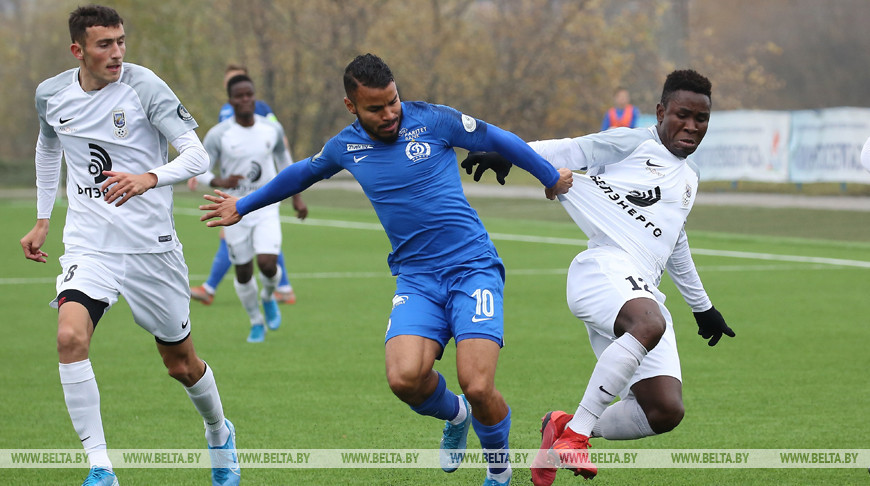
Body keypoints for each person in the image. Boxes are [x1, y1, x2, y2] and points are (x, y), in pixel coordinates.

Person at [200, 53, 573, 486]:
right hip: (417, 278)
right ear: (351, 107)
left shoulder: (434, 119)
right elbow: (301, 174)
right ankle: (456, 415)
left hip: (473, 268)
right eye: (375, 108)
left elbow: (498, 138)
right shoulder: (346, 146)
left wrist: (548, 175)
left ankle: (499, 471)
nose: (389, 113)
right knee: (404, 379)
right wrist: (242, 206)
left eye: (393, 101)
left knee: (477, 382)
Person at [462, 69, 735, 484]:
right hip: (602, 271)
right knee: (650, 323)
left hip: (642, 288)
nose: (692, 127)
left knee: (663, 410)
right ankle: (576, 438)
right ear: (661, 112)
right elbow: (571, 149)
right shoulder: (634, 141)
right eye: (683, 115)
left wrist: (703, 308)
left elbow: (674, 241)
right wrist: (510, 153)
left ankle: (561, 428)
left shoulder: (689, 178)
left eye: (702, 120)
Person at [18, 5, 239, 486]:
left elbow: (196, 155)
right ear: (79, 50)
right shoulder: (51, 95)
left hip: (150, 249)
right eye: (104, 44)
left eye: (121, 41)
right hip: (89, 245)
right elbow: (48, 146)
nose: (117, 52)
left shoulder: (144, 86)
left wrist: (148, 179)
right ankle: (101, 467)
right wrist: (41, 220)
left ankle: (219, 431)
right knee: (69, 338)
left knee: (180, 364)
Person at [188, 64, 306, 307]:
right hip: (234, 205)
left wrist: (296, 197)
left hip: (266, 204)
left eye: (249, 94)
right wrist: (217, 181)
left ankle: (270, 295)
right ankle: (254, 320)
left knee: (266, 262)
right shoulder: (219, 133)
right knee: (243, 271)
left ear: (255, 96)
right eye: (239, 95)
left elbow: (287, 163)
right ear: (230, 100)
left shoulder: (271, 127)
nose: (245, 99)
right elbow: (197, 166)